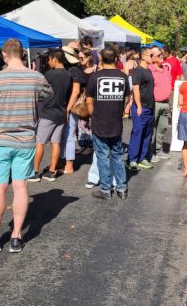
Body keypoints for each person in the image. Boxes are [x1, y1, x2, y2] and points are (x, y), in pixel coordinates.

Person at [0, 38, 52, 253]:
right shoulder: (36, 77)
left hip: (0, 140)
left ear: (4, 55)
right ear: (23, 54)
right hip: (26, 139)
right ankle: (17, 237)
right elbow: (49, 95)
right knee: (21, 187)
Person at [86, 47, 130, 200]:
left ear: (101, 59)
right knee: (117, 156)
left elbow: (88, 100)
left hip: (100, 123)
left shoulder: (95, 77)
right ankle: (122, 188)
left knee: (102, 157)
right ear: (116, 59)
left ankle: (106, 190)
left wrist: (93, 115)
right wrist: (120, 109)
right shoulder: (123, 77)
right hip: (116, 123)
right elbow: (127, 98)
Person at [34, 49, 72, 181]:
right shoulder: (68, 74)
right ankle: (52, 171)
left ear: (55, 59)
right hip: (61, 112)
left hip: (48, 112)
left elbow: (40, 90)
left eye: (49, 60)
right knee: (56, 142)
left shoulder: (49, 74)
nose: (49, 62)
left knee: (40, 142)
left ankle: (35, 172)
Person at [59, 44, 85, 177]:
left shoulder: (74, 70)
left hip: (72, 107)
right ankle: (64, 162)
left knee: (69, 136)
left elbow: (75, 92)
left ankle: (69, 165)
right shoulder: (73, 69)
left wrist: (67, 110)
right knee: (65, 135)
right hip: (67, 106)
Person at [127, 48, 155, 171]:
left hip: (150, 107)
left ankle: (142, 158)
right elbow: (136, 89)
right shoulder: (138, 71)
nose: (153, 57)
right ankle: (132, 160)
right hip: (141, 107)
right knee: (137, 133)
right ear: (143, 57)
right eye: (151, 55)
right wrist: (138, 106)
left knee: (147, 134)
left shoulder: (148, 71)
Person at [149, 46, 172, 162]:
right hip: (154, 104)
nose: (162, 56)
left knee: (162, 128)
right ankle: (148, 153)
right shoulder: (149, 70)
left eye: (162, 54)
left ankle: (158, 150)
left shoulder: (165, 69)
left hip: (165, 103)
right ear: (152, 58)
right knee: (150, 129)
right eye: (159, 55)